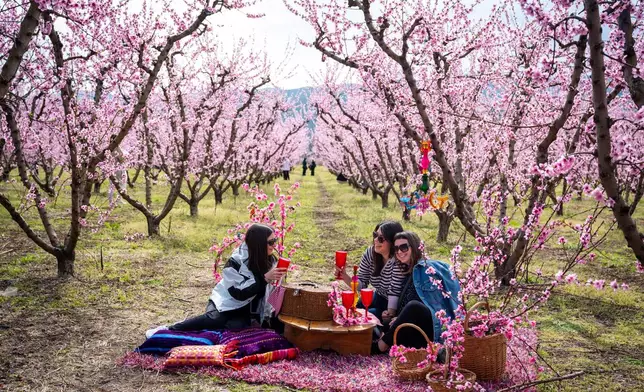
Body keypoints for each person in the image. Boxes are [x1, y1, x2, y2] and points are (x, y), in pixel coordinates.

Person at [145, 224, 287, 337]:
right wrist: (265, 278)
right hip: (227, 301)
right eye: (271, 242)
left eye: (275, 240)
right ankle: (169, 329)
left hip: (246, 308)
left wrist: (276, 282)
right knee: (215, 320)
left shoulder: (271, 260)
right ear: (258, 244)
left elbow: (272, 295)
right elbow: (238, 293)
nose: (274, 245)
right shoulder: (236, 262)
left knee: (235, 328)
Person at [374, 231, 461, 353]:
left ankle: (381, 346)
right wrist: (395, 317)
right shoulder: (408, 271)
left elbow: (433, 307)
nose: (399, 252)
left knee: (413, 307)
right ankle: (384, 339)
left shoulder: (425, 269)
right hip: (413, 327)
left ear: (414, 247)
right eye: (396, 248)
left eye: (404, 247)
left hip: (430, 332)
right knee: (378, 316)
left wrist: (400, 318)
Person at [336, 221, 406, 322]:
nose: (376, 240)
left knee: (366, 315)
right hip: (378, 296)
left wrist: (390, 314)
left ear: (392, 242)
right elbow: (361, 284)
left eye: (381, 238)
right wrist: (345, 276)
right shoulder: (370, 253)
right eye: (375, 235)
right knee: (348, 309)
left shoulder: (398, 259)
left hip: (394, 304)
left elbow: (394, 292)